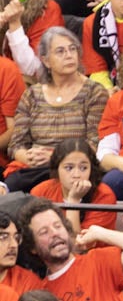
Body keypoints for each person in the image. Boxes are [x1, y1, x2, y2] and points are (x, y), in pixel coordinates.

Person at [5, 27, 109, 192]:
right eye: (60, 51)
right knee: (11, 185)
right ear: (46, 61)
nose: (68, 55)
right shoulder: (32, 94)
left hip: (75, 166)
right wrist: (28, 157)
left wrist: (57, 157)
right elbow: (16, 144)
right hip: (34, 168)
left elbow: (95, 144)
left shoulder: (94, 92)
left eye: (72, 49)